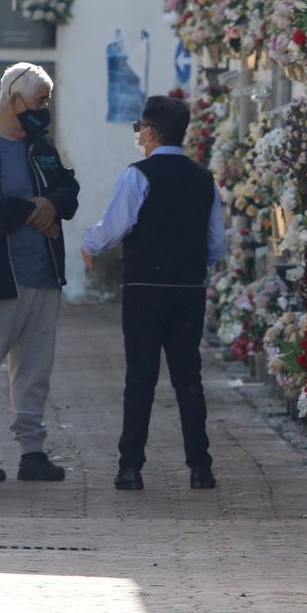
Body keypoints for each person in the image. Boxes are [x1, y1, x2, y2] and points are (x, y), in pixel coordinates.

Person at [81, 95, 226, 492]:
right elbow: (216, 242)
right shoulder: (204, 178)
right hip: (188, 287)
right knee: (188, 378)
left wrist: (89, 246)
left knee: (141, 377)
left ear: (149, 130)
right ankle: (200, 466)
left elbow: (115, 226)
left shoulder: (138, 175)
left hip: (145, 287)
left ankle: (130, 467)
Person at [0, 63, 80, 482]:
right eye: (40, 101)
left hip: (43, 272)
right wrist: (35, 208)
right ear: (13, 99)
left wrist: (53, 205)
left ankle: (32, 450)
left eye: (48, 101)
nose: (45, 109)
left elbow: (68, 189)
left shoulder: (41, 145)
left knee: (35, 369)